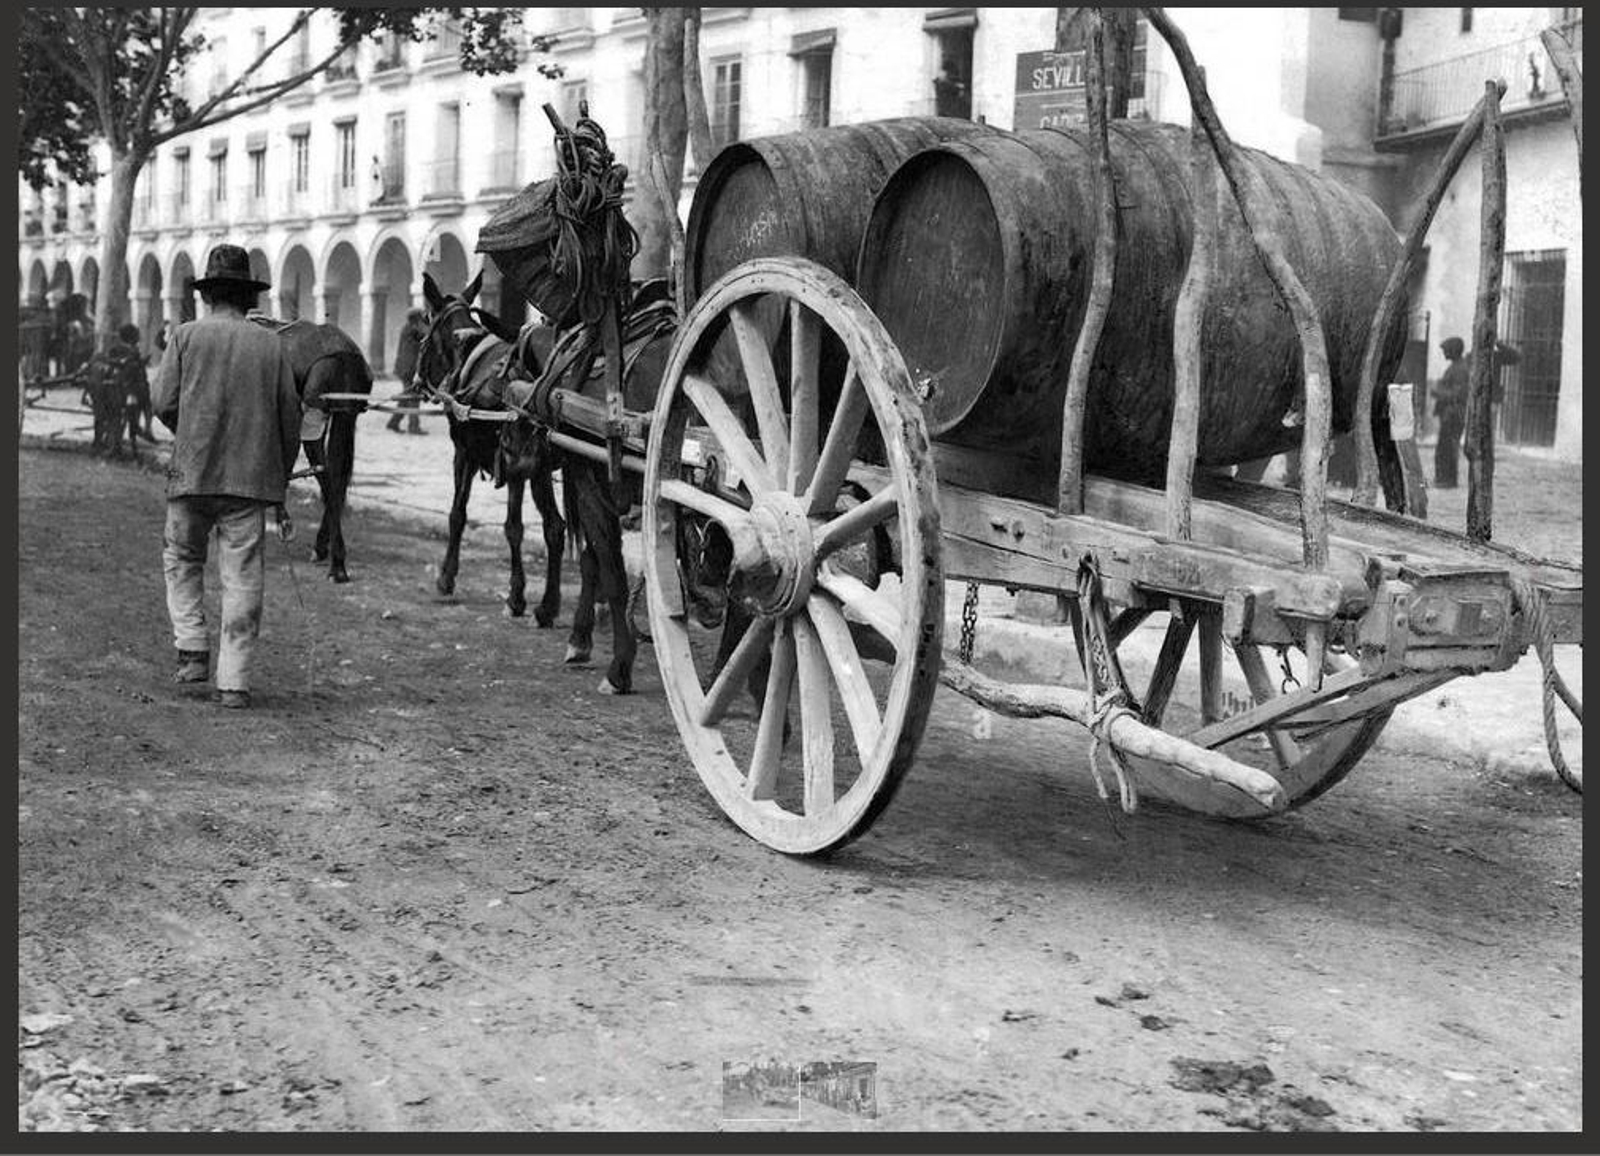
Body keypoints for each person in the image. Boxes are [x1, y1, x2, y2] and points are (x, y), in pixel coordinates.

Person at [152, 244, 302, 709]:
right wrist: (277, 472)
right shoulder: (271, 345)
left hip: (191, 473)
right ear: (247, 297)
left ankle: (192, 650)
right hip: (249, 479)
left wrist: (192, 431)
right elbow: (290, 419)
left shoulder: (184, 336)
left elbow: (162, 402)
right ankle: (233, 682)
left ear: (208, 295)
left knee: (181, 560)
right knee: (241, 576)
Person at [1431, 336, 1469, 488]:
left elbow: (1457, 394)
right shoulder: (1456, 367)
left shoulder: (1460, 369)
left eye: (1446, 350)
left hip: (1453, 414)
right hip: (1449, 414)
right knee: (1444, 448)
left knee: (1447, 448)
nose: (1444, 352)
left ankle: (1447, 480)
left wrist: (1437, 392)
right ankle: (1443, 479)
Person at [385, 307, 429, 435]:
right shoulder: (413, 330)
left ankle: (393, 422)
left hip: (404, 368)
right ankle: (413, 426)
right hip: (409, 369)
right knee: (413, 397)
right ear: (416, 319)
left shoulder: (408, 328)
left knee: (406, 397)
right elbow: (424, 337)